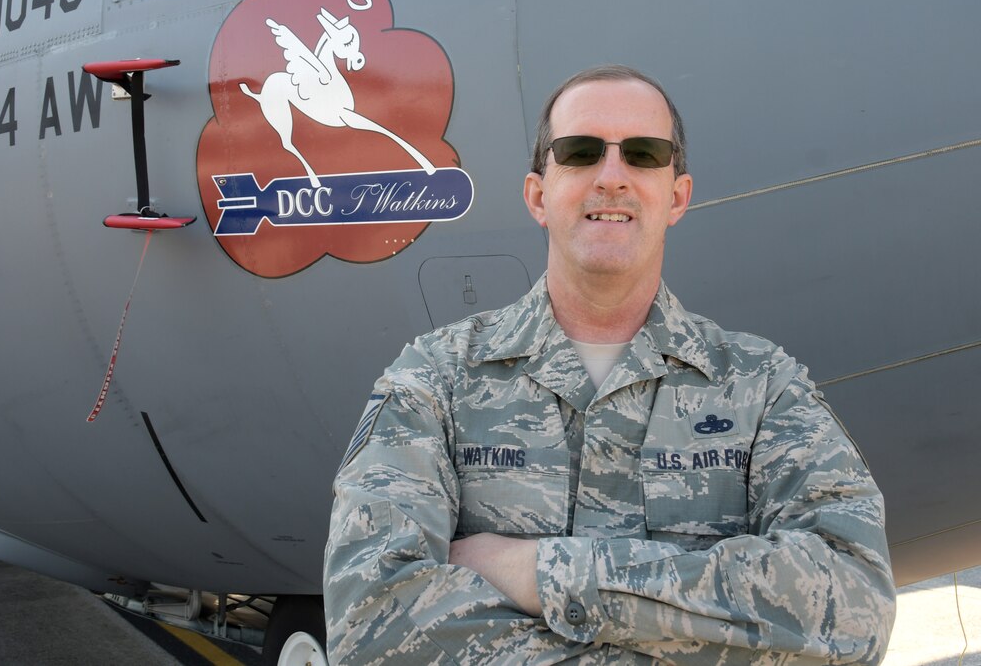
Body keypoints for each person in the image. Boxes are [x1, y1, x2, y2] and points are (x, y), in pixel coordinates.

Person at [323, 65, 896, 664]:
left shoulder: (762, 387)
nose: (612, 177)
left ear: (677, 195)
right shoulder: (435, 380)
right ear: (538, 195)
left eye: (645, 155)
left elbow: (854, 606)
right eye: (580, 152)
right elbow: (372, 623)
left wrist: (537, 571)